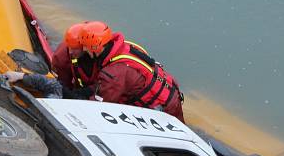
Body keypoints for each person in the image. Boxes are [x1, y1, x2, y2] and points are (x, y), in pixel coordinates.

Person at [52, 21, 185, 122]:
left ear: (94, 47)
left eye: (85, 48)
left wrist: (67, 94)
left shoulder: (113, 74)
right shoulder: (123, 48)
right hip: (171, 94)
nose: (85, 51)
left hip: (163, 110)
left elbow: (98, 107)